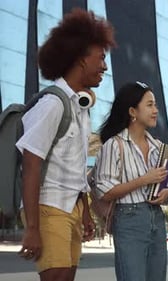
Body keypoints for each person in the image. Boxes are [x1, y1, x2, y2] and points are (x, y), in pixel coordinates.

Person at [15, 8, 115, 281]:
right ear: (81, 59)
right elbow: (31, 164)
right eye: (101, 58)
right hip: (49, 206)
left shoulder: (81, 108)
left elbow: (74, 167)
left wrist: (84, 214)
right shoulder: (52, 104)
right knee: (57, 276)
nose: (104, 66)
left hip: (72, 207)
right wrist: (33, 227)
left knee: (66, 277)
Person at [94, 82, 168, 281]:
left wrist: (166, 191)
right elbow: (105, 190)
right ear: (132, 111)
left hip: (156, 216)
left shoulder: (158, 147)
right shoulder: (114, 145)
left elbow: (167, 181)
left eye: (155, 105)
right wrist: (143, 180)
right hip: (129, 218)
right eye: (150, 105)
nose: (155, 110)